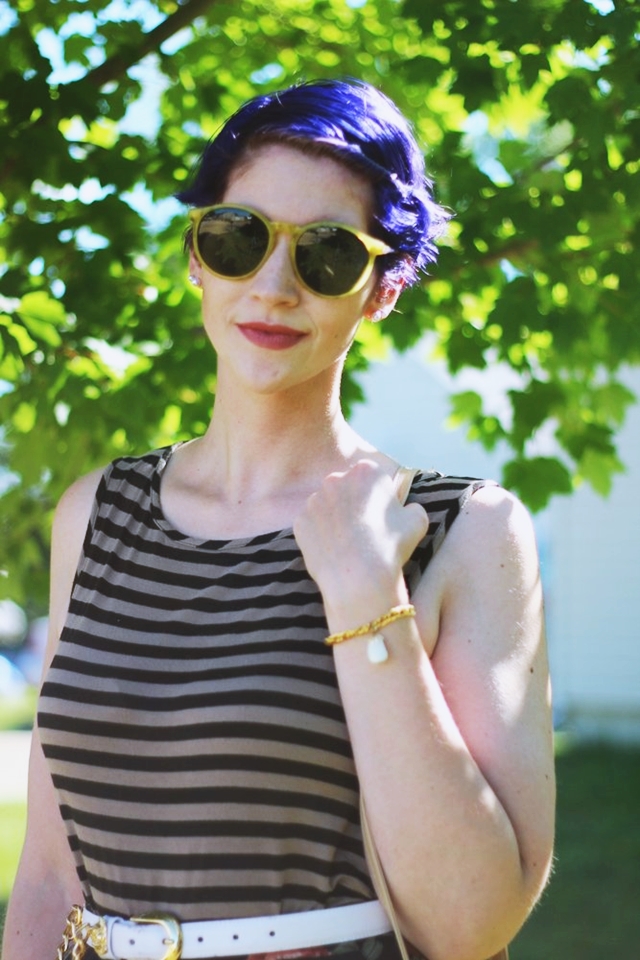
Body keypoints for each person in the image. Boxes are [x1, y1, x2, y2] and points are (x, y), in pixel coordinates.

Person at [3, 79, 555, 960]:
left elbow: (473, 921)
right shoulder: (96, 514)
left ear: (380, 289)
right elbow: (46, 875)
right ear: (195, 255)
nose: (272, 284)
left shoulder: (464, 530)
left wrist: (366, 593)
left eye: (328, 255)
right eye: (238, 238)